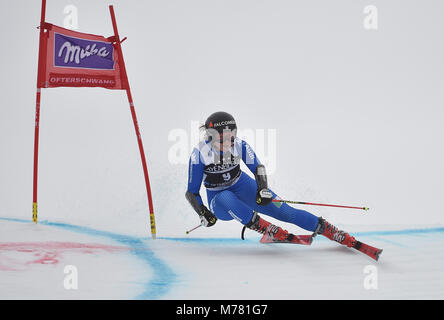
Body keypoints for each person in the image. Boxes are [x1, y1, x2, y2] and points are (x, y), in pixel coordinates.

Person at [185, 111, 357, 247]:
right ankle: (270, 230)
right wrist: (203, 212)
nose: (229, 142)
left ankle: (331, 231)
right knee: (226, 197)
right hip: (219, 201)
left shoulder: (240, 145)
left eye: (232, 135)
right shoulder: (199, 153)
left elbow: (258, 168)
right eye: (223, 139)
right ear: (211, 137)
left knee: (285, 211)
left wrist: (262, 189)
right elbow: (191, 192)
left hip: (242, 186)